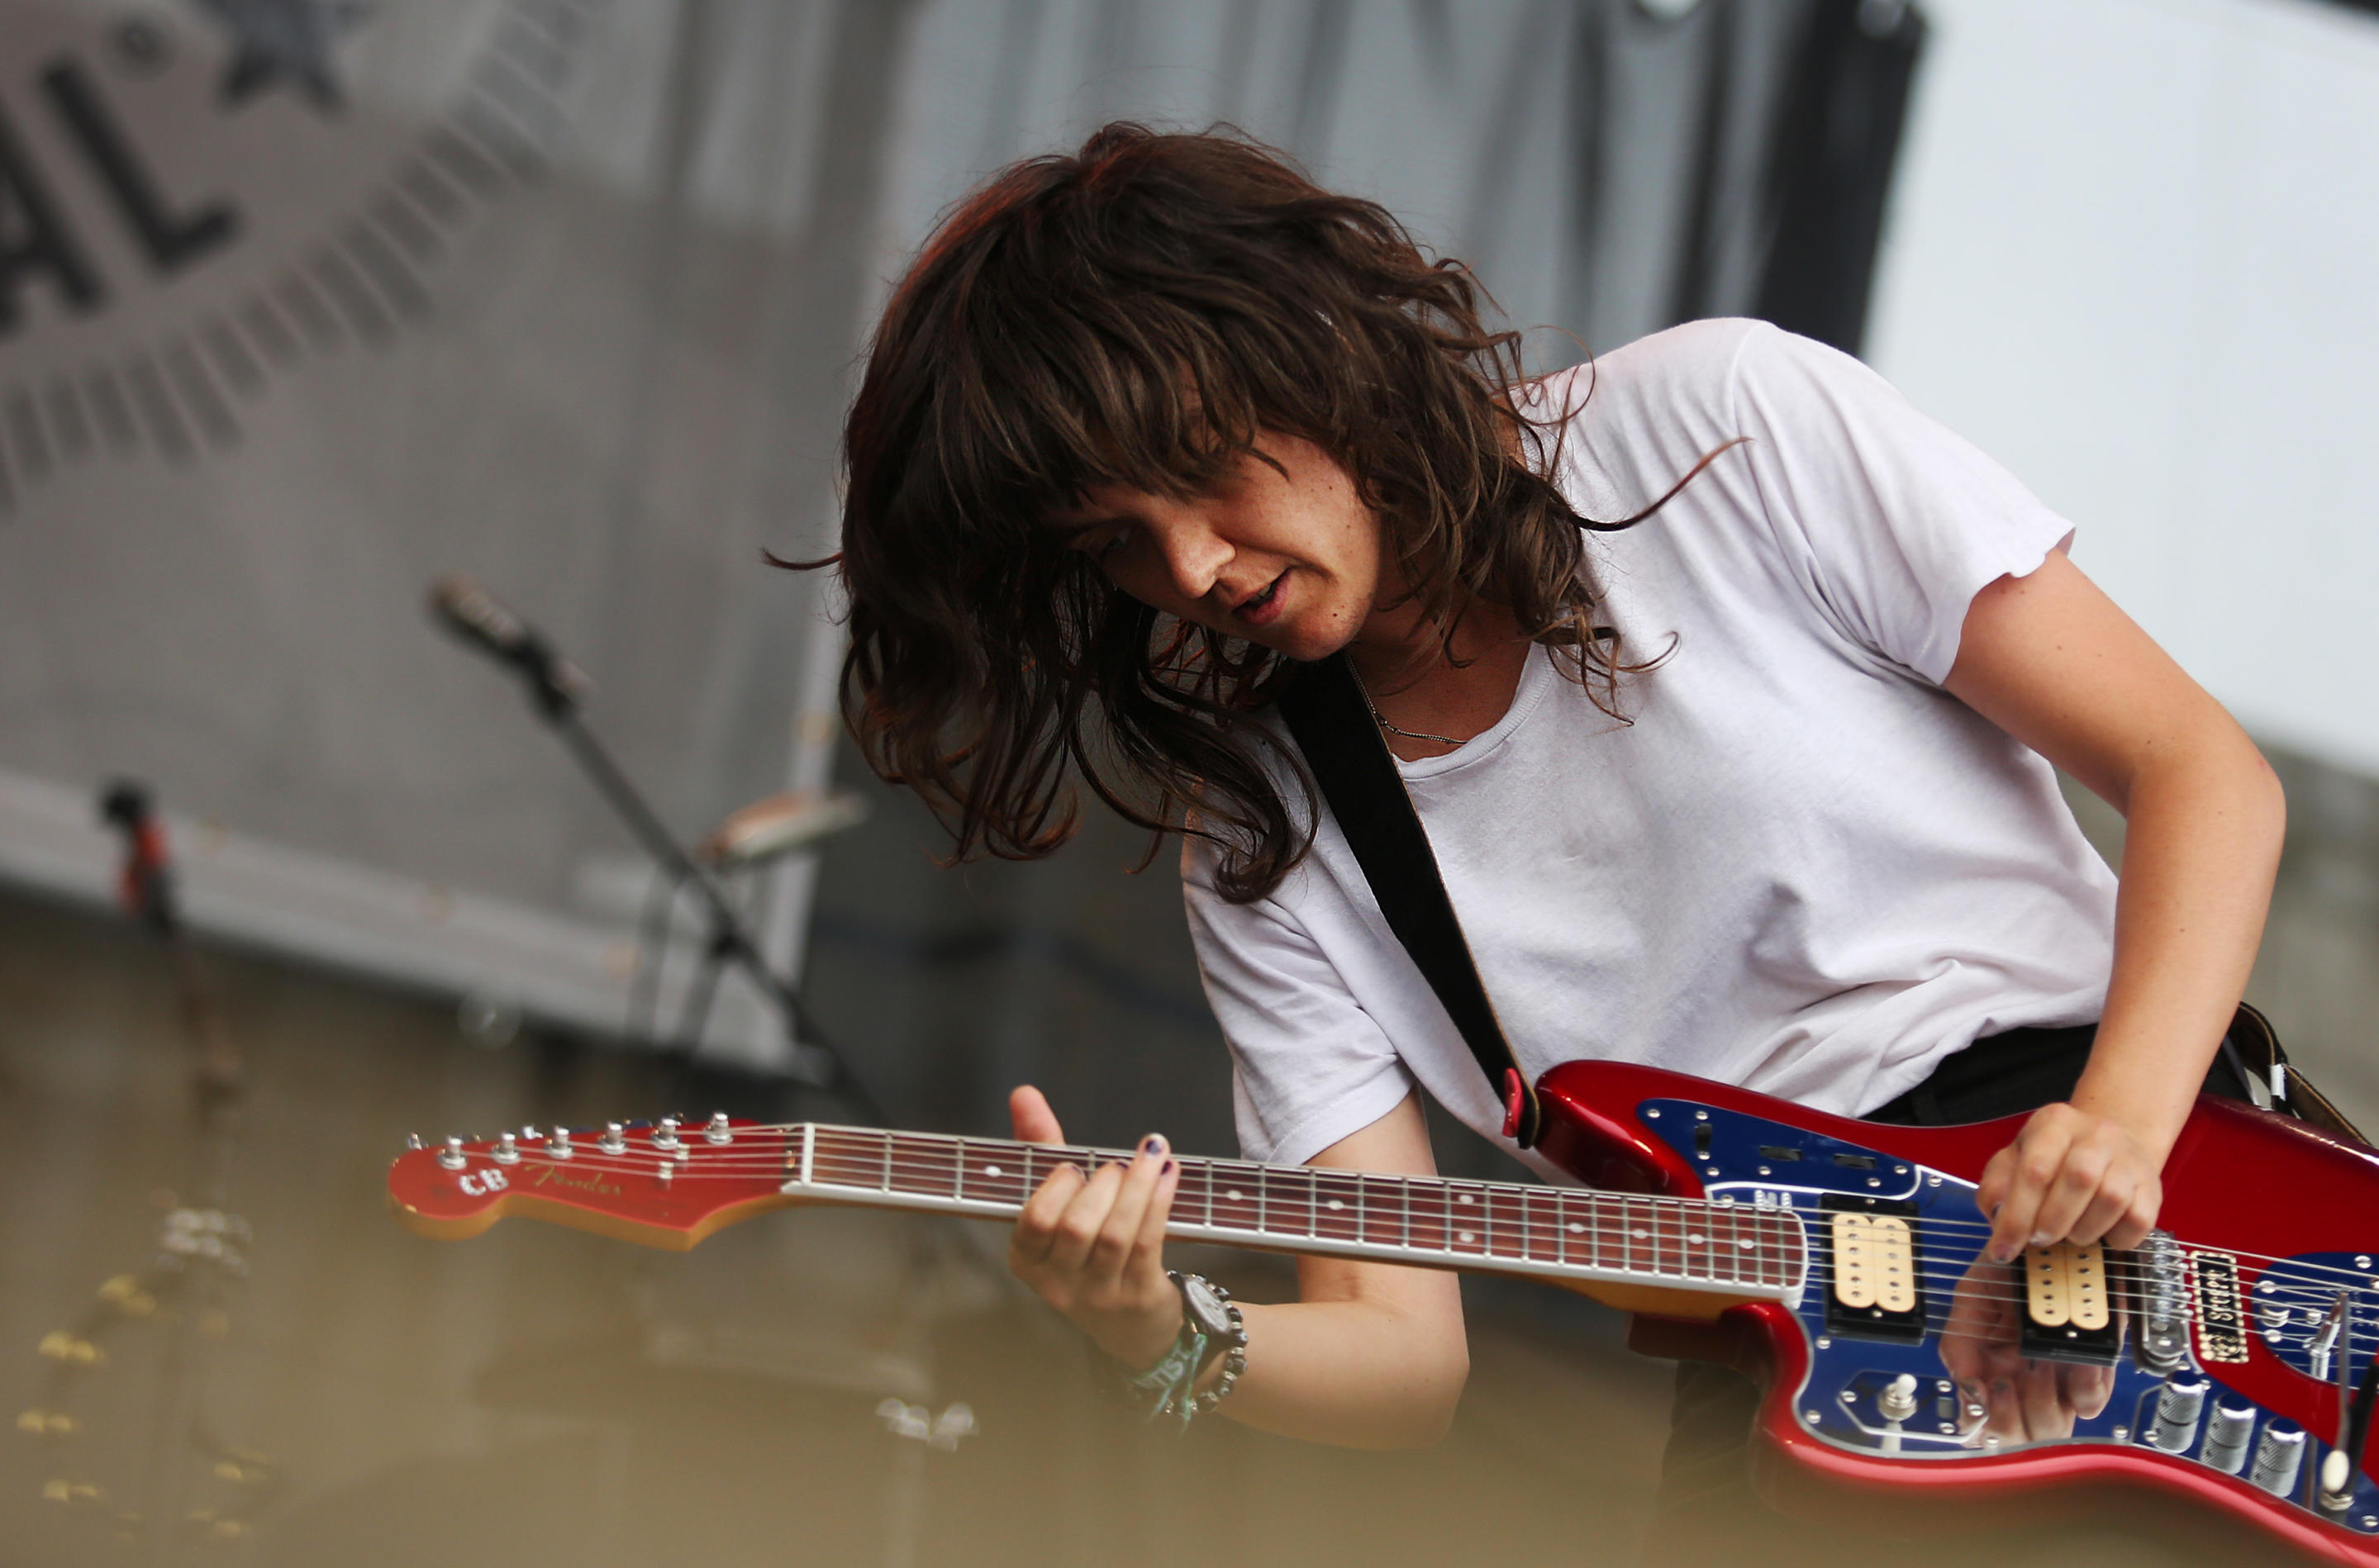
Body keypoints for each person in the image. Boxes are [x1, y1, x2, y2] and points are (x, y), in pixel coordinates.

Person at [810, 121, 2282, 1514]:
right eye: (1117, 543)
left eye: (1199, 467)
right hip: (1791, 1360)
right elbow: (1403, 1355)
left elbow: (2201, 773)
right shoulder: (1265, 841)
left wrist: (2115, 1129)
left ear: (1305, 349)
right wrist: (1161, 1328)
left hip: (2131, 1179)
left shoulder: (1723, 424)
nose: (1190, 566)